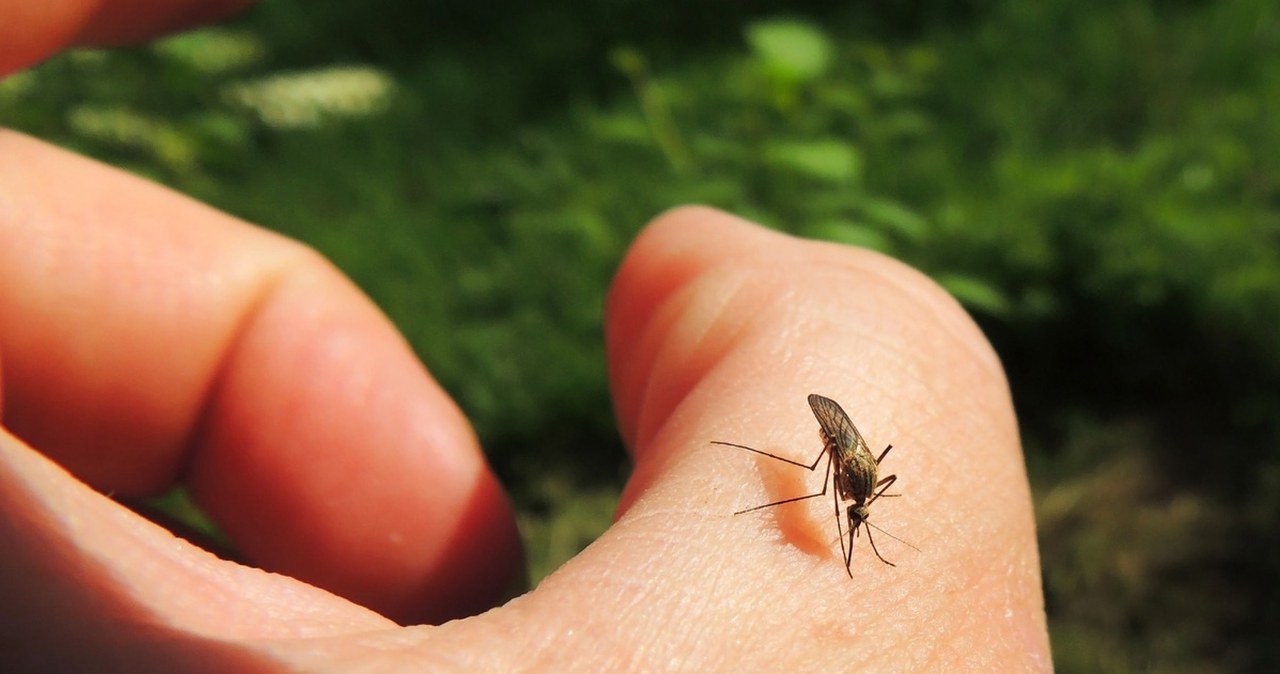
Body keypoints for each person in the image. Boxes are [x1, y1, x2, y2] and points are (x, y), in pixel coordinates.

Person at [0, 3, 1051, 670]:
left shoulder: (851, 478)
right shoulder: (839, 462)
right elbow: (834, 444)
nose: (851, 501)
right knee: (806, 472)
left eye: (858, 504)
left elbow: (847, 472)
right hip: (825, 428)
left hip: (834, 434)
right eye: (858, 500)